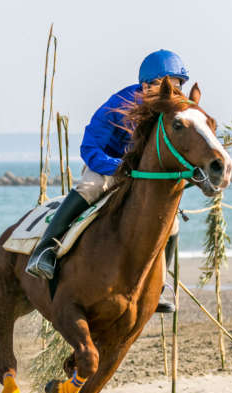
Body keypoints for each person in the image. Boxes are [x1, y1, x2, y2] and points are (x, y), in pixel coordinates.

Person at [25, 50, 189, 313]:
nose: (176, 91)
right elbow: (89, 147)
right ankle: (44, 251)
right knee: (89, 188)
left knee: (173, 225)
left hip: (143, 179)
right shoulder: (118, 104)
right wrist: (120, 168)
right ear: (148, 84)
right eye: (170, 84)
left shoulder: (170, 112)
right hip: (109, 170)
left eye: (179, 85)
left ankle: (158, 286)